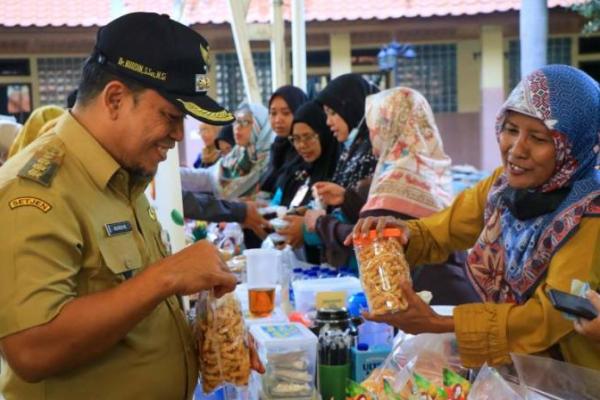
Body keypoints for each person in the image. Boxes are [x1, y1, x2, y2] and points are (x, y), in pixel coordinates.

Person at [0, 13, 262, 400]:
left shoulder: (123, 174)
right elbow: (31, 349)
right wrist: (168, 276)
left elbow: (125, 305)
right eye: (170, 117)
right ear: (115, 99)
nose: (177, 135)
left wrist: (208, 333)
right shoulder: (37, 191)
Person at [349, 65, 600, 369]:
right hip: (517, 370)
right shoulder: (502, 186)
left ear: (573, 145)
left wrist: (439, 323)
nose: (516, 150)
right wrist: (400, 232)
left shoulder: (589, 214)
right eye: (510, 130)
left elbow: (547, 317)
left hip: (574, 379)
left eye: (538, 138)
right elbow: (442, 230)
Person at [260, 85, 308, 195]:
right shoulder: (277, 147)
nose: (278, 120)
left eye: (286, 113)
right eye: (273, 113)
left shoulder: (306, 149)